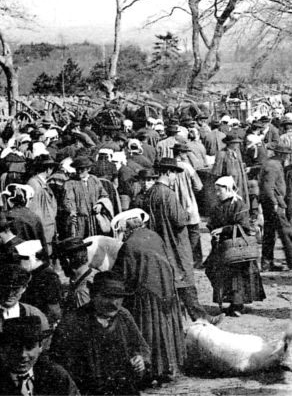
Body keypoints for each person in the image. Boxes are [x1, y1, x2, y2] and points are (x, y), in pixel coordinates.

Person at [143, 158, 224, 325]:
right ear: (167, 172)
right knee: (184, 278)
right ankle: (201, 318)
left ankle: (182, 317)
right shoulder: (168, 194)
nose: (175, 178)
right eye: (174, 174)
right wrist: (187, 214)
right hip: (174, 242)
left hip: (159, 242)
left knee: (171, 280)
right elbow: (179, 220)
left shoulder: (151, 193)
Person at [110, 208, 186, 380]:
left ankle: (152, 369)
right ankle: (169, 367)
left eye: (121, 230)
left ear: (127, 228)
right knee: (165, 329)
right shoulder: (154, 236)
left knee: (149, 331)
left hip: (146, 296)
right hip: (167, 291)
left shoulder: (129, 245)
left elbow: (122, 275)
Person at [51, 271, 151, 396]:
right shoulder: (72, 322)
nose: (114, 304)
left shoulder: (124, 316)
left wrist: (140, 358)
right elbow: (60, 367)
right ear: (93, 294)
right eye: (108, 296)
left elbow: (141, 346)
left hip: (124, 389)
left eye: (119, 297)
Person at [205, 177, 266, 317]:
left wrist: (223, 229)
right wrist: (214, 230)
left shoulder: (239, 204)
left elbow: (243, 226)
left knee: (236, 276)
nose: (217, 194)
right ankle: (232, 303)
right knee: (213, 270)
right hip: (222, 246)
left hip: (236, 248)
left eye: (220, 191)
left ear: (228, 189)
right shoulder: (220, 205)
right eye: (216, 191)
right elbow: (212, 223)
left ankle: (238, 305)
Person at [0, 316, 79, 396]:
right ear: (3, 348)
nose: (23, 355)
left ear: (40, 347)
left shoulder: (56, 375)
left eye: (29, 347)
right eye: (15, 347)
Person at [258, 144, 292, 271]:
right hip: (274, 204)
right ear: (282, 154)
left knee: (270, 233)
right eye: (287, 154)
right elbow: (268, 187)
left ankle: (267, 263)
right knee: (287, 232)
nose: (289, 156)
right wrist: (275, 204)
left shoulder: (273, 163)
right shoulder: (273, 165)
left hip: (273, 203)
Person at [15, 239, 63, 326]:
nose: (20, 262)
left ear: (34, 257)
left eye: (22, 258)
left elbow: (54, 310)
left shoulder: (48, 277)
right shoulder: (34, 275)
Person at [172, 143, 205, 269]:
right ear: (181, 154)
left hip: (174, 204)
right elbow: (199, 186)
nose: (186, 155)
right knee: (194, 233)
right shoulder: (187, 167)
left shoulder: (168, 166)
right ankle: (195, 260)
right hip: (188, 203)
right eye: (185, 153)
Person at [62, 156, 110, 239]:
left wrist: (100, 205)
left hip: (94, 219)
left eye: (82, 169)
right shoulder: (70, 183)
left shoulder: (95, 180)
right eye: (77, 169)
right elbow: (69, 200)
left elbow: (104, 195)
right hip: (79, 220)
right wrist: (72, 212)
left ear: (88, 169)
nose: (79, 171)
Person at [1, 183, 49, 260]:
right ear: (27, 199)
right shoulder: (33, 217)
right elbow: (41, 244)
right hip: (30, 262)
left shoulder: (2, 216)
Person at [54, 236, 97, 311]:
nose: (61, 267)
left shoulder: (81, 291)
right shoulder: (96, 274)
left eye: (61, 263)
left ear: (67, 261)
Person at [26, 155, 58, 248]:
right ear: (48, 169)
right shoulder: (35, 184)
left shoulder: (41, 183)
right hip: (42, 230)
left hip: (47, 229)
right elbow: (33, 210)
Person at [212, 134, 250, 210]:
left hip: (239, 180)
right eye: (235, 143)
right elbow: (216, 171)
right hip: (229, 182)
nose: (237, 144)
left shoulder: (237, 152)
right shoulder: (222, 154)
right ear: (230, 143)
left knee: (240, 196)